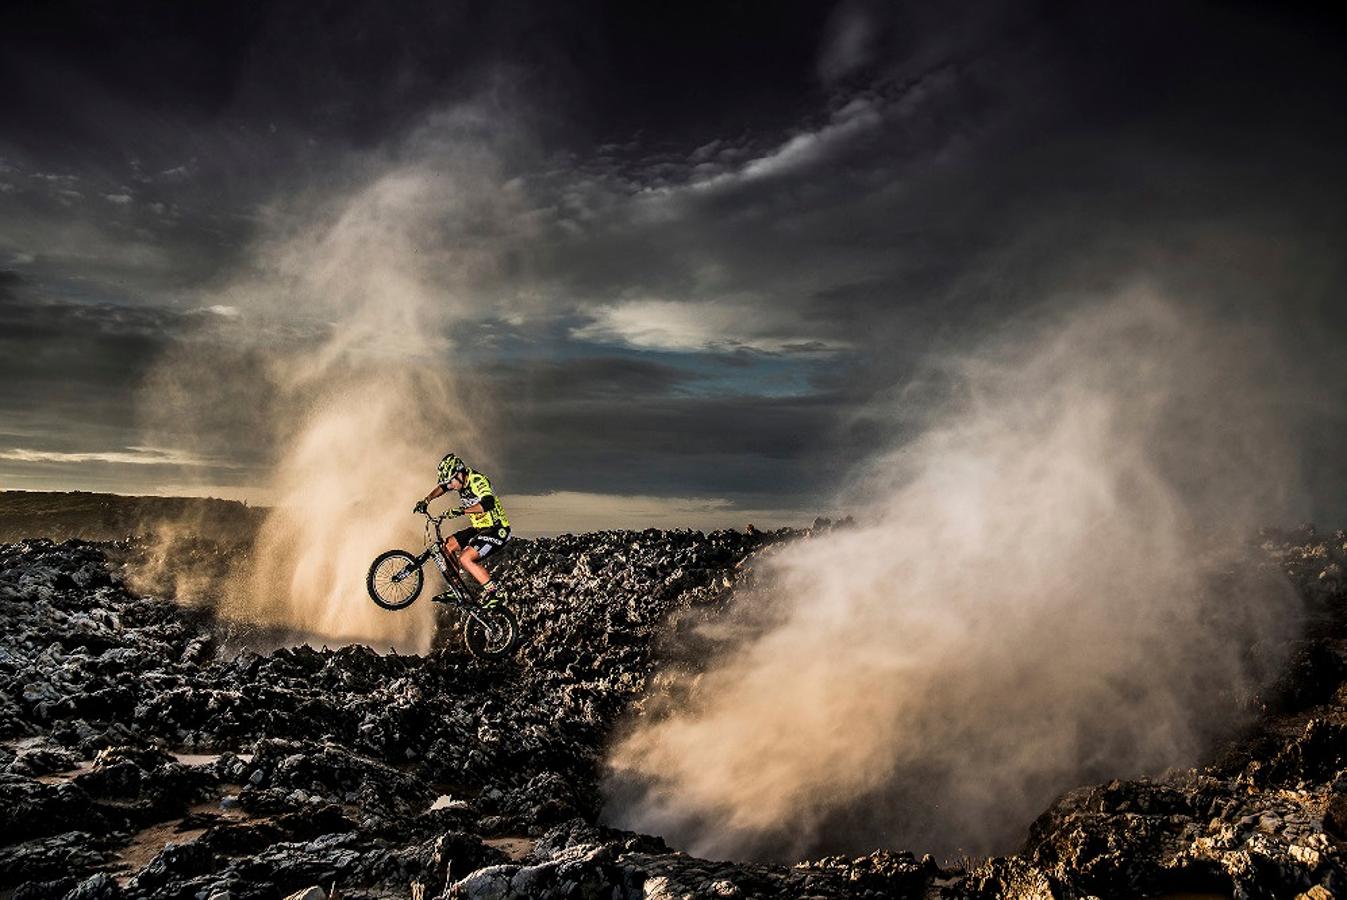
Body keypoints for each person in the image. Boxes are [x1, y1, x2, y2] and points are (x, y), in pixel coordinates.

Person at [413, 452, 511, 606]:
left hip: (497, 529)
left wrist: (462, 511)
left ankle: (496, 594)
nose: (450, 486)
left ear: (459, 474)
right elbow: (442, 487)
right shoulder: (458, 481)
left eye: (451, 482)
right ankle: (456, 590)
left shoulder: (477, 481)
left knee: (465, 558)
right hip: (479, 528)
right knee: (447, 547)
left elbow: (488, 504)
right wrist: (426, 500)